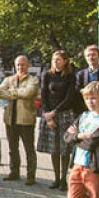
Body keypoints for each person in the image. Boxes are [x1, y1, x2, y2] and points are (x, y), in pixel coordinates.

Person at [37, 50, 77, 190]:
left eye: (59, 59)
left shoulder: (71, 76)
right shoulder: (47, 75)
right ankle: (55, 178)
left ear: (65, 61)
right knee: (54, 149)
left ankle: (63, 179)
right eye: (54, 59)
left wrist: (55, 112)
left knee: (64, 148)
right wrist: (48, 115)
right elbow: (43, 94)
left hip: (64, 114)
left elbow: (69, 97)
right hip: (49, 115)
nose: (55, 61)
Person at [0, 55, 39, 185]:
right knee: (12, 148)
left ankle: (31, 175)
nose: (20, 67)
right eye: (18, 65)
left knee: (29, 149)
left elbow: (29, 93)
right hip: (10, 119)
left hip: (26, 120)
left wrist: (12, 93)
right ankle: (14, 171)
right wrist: (18, 93)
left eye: (23, 64)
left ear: (28, 65)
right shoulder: (9, 79)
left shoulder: (33, 80)